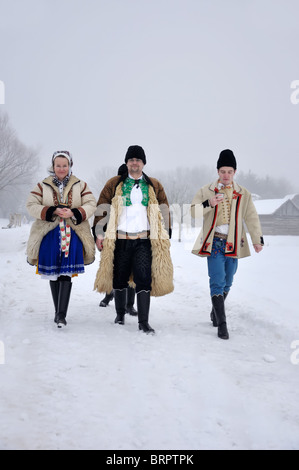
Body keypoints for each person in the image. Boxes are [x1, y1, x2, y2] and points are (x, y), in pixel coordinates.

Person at [93, 145, 174, 334]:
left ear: (143, 163)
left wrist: (166, 232)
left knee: (143, 278)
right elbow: (102, 208)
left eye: (138, 160)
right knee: (119, 278)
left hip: (144, 240)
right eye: (131, 160)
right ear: (126, 163)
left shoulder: (153, 184)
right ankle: (120, 314)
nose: (134, 163)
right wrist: (99, 233)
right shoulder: (114, 183)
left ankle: (143, 322)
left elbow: (164, 208)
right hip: (120, 238)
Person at [191, 149, 264, 340]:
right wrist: (209, 203)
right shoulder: (206, 190)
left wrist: (257, 239)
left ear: (234, 172)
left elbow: (251, 217)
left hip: (234, 244)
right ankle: (222, 325)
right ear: (217, 172)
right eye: (222, 171)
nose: (226, 175)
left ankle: (215, 312)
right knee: (217, 280)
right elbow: (192, 212)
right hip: (213, 242)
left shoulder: (243, 193)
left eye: (229, 172)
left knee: (228, 281)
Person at [26, 151, 97, 328]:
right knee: (54, 271)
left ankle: (61, 315)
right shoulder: (43, 185)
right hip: (49, 232)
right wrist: (52, 211)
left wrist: (73, 212)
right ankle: (58, 311)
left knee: (65, 272)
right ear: (53, 166)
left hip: (72, 231)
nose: (61, 169)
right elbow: (31, 204)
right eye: (58, 165)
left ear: (70, 165)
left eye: (65, 165)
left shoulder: (80, 185)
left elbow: (91, 203)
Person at [98, 163, 138, 316]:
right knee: (115, 270)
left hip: (133, 237)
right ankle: (109, 296)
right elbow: (102, 212)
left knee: (132, 272)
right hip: (114, 237)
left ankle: (129, 305)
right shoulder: (113, 190)